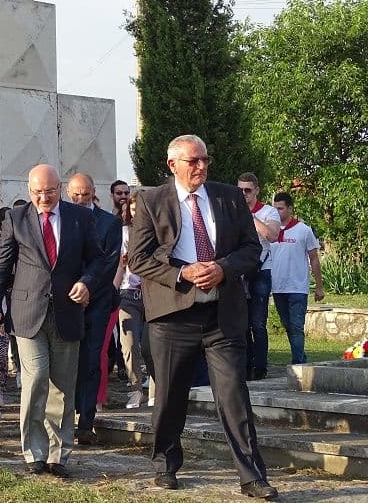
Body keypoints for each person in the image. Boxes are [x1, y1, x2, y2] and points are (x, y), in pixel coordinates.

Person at [128, 134, 277, 499]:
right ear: (172, 165)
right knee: (170, 395)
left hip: (222, 314)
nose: (200, 167)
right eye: (192, 161)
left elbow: (251, 249)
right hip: (172, 315)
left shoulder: (228, 197)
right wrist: (183, 273)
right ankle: (166, 462)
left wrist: (223, 268)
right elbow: (139, 259)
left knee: (234, 396)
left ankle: (252, 476)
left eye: (205, 160)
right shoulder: (152, 201)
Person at [0, 163, 106, 478]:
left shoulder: (80, 217)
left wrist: (87, 282)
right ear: (29, 190)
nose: (43, 198)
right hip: (28, 313)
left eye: (49, 192)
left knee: (63, 387)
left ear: (60, 188)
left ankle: (58, 454)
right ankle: (34, 452)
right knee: (37, 377)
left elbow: (97, 259)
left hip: (67, 312)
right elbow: (1, 265)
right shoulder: (16, 219)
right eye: (37, 192)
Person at [66, 172, 122, 445]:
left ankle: (86, 421)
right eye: (75, 194)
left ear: (93, 192)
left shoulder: (109, 223)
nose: (79, 199)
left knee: (91, 359)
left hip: (98, 301)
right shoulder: (61, 217)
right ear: (68, 192)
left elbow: (109, 263)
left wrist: (88, 289)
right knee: (66, 360)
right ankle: (65, 417)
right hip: (65, 300)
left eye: (85, 194)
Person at [270, 192, 325, 365]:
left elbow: (314, 258)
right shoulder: (270, 231)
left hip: (297, 288)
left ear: (290, 209)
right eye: (274, 208)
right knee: (289, 326)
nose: (276, 212)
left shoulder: (304, 230)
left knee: (296, 326)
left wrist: (319, 286)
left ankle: (298, 364)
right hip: (278, 287)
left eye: (280, 208)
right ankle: (302, 359)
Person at [237, 173, 282, 381]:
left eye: (248, 190)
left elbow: (272, 235)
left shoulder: (268, 211)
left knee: (258, 322)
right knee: (242, 323)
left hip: (261, 270)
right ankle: (245, 364)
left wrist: (251, 217)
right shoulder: (233, 210)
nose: (244, 194)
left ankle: (260, 366)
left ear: (256, 190)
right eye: (240, 190)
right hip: (240, 272)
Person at [112, 193, 147, 408]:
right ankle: (136, 388)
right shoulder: (123, 232)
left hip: (152, 294)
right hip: (128, 292)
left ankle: (155, 386)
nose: (136, 214)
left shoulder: (157, 233)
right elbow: (119, 261)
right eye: (133, 210)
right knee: (129, 343)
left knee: (153, 345)